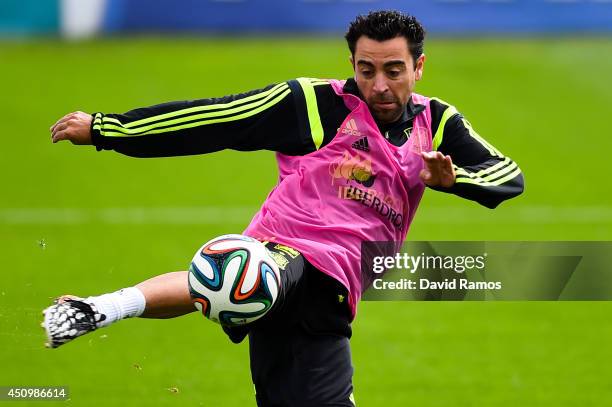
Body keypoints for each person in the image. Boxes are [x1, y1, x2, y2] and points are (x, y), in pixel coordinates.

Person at [43, 10, 524, 406]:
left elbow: (507, 176)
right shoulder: (316, 105)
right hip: (283, 253)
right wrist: (108, 130)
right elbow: (214, 120)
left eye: (393, 70)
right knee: (238, 272)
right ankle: (101, 308)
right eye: (366, 69)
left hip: (334, 294)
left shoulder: (437, 123)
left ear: (418, 67)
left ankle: (101, 308)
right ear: (352, 63)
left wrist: (457, 178)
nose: (378, 84)